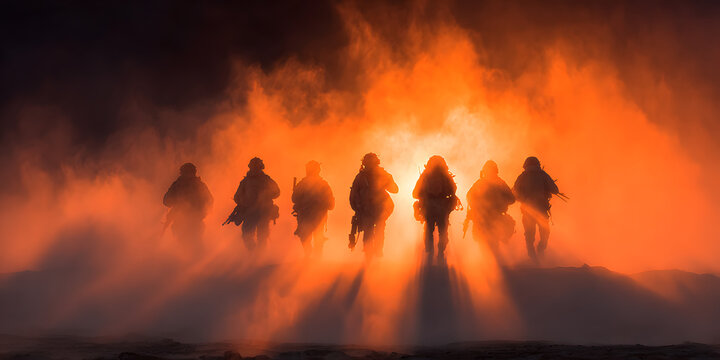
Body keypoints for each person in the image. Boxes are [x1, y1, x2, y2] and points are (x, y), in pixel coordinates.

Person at [349, 153, 398, 258]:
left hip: (375, 209)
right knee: (374, 230)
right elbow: (353, 195)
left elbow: (394, 189)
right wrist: (358, 208)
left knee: (373, 229)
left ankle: (373, 252)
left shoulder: (361, 177)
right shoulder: (362, 177)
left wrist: (357, 208)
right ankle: (372, 253)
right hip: (369, 209)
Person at [466, 160, 515, 262]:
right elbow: (511, 198)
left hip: (482, 216)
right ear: (496, 170)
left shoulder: (480, 183)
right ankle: (492, 261)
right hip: (494, 215)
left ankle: (488, 262)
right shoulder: (500, 182)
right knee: (493, 238)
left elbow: (469, 196)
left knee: (483, 239)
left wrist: (475, 207)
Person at [512, 156, 559, 262]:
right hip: (541, 209)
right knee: (545, 233)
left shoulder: (522, 177)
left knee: (529, 234)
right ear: (537, 164)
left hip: (527, 211)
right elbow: (555, 190)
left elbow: (514, 193)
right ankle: (541, 249)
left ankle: (532, 254)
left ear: (525, 165)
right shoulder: (543, 175)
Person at [412, 156, 458, 260]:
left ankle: (430, 252)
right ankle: (440, 252)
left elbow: (415, 193)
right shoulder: (446, 176)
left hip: (429, 206)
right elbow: (453, 190)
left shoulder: (425, 176)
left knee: (429, 229)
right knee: (443, 230)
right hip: (442, 207)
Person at [163, 163, 213, 253]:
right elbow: (209, 201)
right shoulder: (199, 185)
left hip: (184, 221)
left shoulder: (177, 185)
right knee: (194, 245)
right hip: (191, 221)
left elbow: (166, 201)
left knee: (184, 245)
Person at [234, 157, 280, 251]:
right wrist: (244, 202)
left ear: (260, 167)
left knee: (262, 236)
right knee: (247, 234)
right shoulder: (245, 181)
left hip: (263, 211)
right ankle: (254, 253)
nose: (255, 168)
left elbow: (277, 192)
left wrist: (266, 196)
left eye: (256, 166)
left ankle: (259, 256)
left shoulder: (266, 180)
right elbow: (237, 197)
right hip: (250, 212)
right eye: (253, 166)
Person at [292, 161, 335, 257]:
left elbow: (294, 198)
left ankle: (313, 258)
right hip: (311, 215)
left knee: (309, 237)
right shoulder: (322, 184)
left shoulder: (303, 184)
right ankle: (313, 257)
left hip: (312, 216)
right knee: (311, 237)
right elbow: (294, 199)